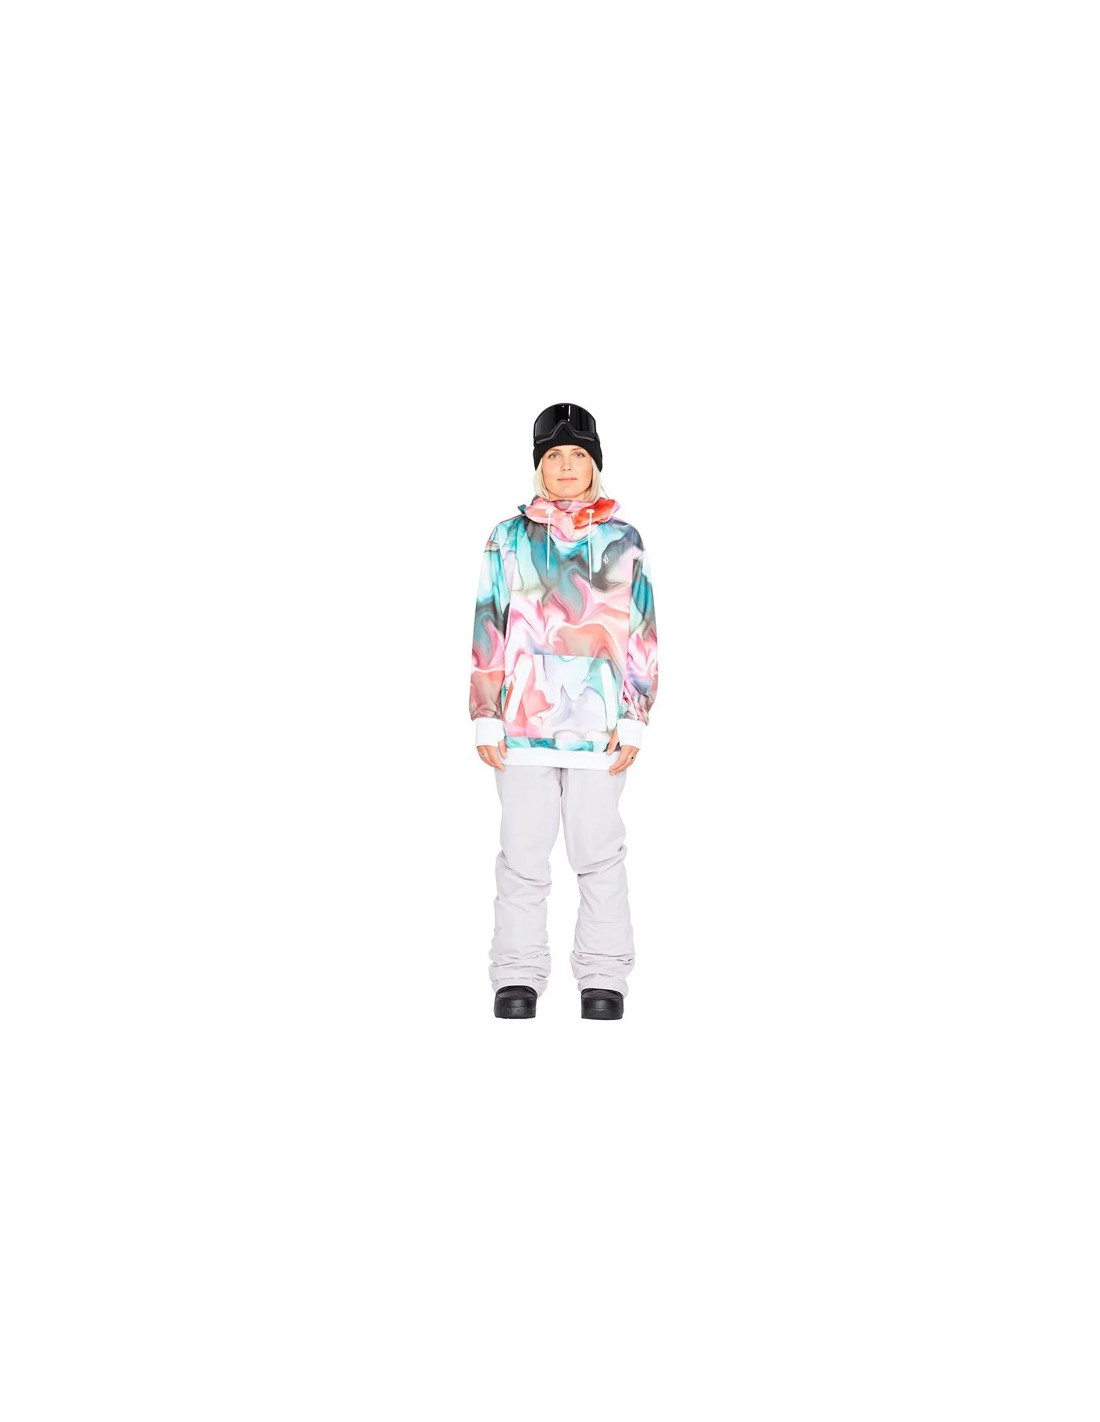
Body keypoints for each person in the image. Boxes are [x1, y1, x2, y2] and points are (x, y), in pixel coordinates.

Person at [469, 403, 658, 1020]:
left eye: (579, 455)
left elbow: (641, 629)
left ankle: (603, 978)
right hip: (522, 726)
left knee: (598, 855)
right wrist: (486, 710)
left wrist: (634, 714)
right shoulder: (507, 538)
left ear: (594, 464)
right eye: (555, 455)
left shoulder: (623, 540)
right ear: (540, 466)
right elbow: (489, 621)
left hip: (598, 729)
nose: (568, 466)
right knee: (522, 857)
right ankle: (517, 976)